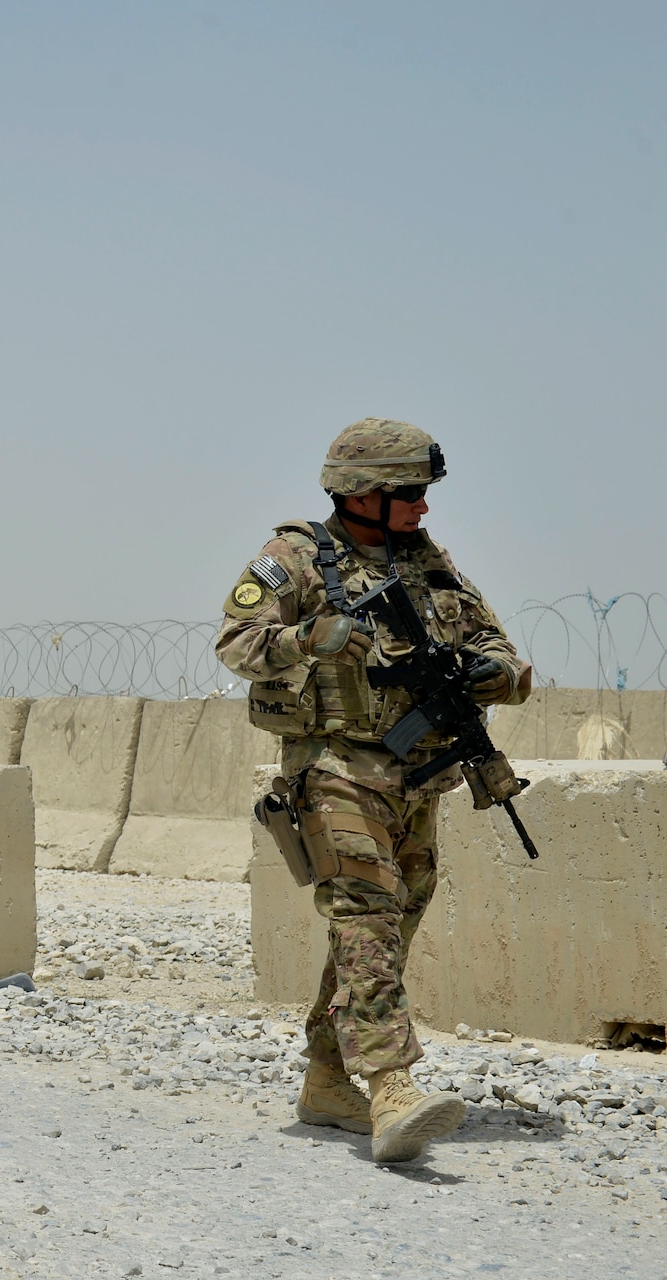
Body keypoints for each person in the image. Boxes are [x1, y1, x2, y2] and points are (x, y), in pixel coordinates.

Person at [215, 418, 531, 1163]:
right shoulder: (293, 557)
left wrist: (497, 674)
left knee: (391, 918)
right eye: (411, 493)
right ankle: (392, 1085)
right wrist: (307, 638)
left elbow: (497, 646)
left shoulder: (430, 563)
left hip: (419, 773)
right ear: (364, 493)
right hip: (335, 765)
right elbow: (236, 644)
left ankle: (328, 1076)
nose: (424, 507)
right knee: (366, 909)